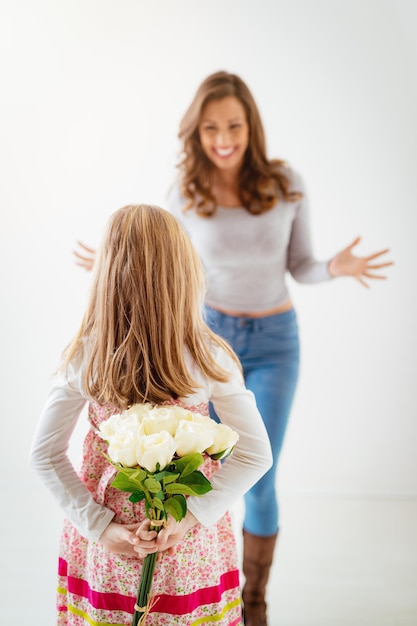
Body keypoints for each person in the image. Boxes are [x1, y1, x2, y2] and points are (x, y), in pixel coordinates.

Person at [73, 71, 393, 626]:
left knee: (259, 472)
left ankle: (253, 603)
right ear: (196, 133)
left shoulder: (285, 183)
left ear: (252, 127)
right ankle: (186, 591)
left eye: (234, 126)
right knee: (191, 470)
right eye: (211, 127)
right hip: (205, 338)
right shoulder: (184, 192)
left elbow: (301, 265)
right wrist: (118, 265)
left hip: (273, 341)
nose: (224, 138)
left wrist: (333, 269)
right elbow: (165, 263)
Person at [30, 203, 273, 626]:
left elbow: (45, 455)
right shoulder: (209, 356)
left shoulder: (85, 356)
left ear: (106, 272)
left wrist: (102, 528)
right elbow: (256, 455)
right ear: (184, 271)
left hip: (107, 545)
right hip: (187, 547)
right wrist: (192, 518)